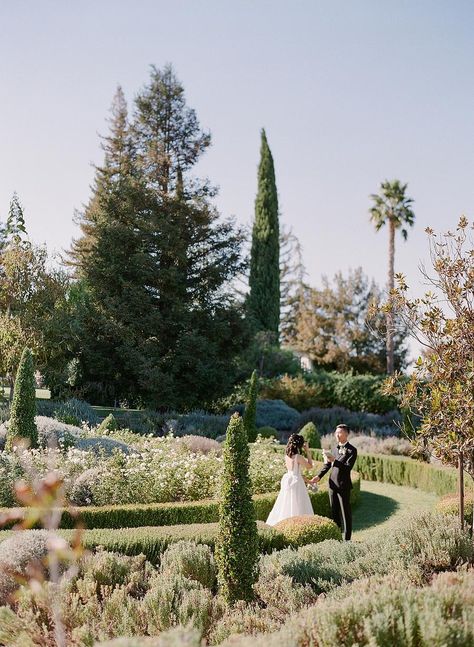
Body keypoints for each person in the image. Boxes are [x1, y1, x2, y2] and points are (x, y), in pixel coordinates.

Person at [309, 424, 357, 541]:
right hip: (332, 485)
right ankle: (337, 538)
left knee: (345, 513)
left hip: (343, 486)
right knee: (334, 512)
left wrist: (334, 460)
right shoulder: (334, 448)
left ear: (346, 434)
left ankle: (347, 540)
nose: (337, 435)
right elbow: (327, 465)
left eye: (339, 432)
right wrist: (318, 476)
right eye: (336, 433)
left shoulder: (352, 450)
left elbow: (347, 468)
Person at [266, 433, 314, 526]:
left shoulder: (287, 456)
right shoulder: (298, 457)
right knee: (299, 504)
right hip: (296, 482)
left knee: (286, 503)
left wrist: (308, 481)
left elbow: (295, 472)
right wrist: (307, 451)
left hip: (289, 480)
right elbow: (310, 466)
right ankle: (298, 525)